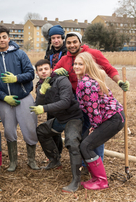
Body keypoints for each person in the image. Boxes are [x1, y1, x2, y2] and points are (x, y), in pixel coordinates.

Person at [53, 32, 130, 169]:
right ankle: (85, 162)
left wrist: (119, 82)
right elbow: (52, 73)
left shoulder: (93, 53)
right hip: (77, 99)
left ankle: (96, 164)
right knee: (83, 130)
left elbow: (109, 69)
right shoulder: (65, 59)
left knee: (95, 131)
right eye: (69, 43)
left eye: (74, 42)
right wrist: (56, 72)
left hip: (92, 96)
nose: (72, 45)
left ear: (80, 42)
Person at [0, 25, 39, 171]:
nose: (2, 40)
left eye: (4, 37)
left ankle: (31, 160)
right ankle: (13, 162)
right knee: (9, 131)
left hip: (24, 97)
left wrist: (16, 78)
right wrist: (3, 97)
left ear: (9, 38)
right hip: (5, 102)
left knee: (29, 129)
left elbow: (30, 73)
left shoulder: (20, 54)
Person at [74, 52, 125, 190]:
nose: (76, 66)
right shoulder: (84, 79)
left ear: (87, 66)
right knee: (85, 143)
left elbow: (93, 108)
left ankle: (101, 181)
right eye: (76, 64)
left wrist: (95, 126)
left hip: (113, 118)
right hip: (109, 117)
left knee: (86, 145)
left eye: (80, 64)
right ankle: (95, 177)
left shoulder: (87, 83)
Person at [30, 59, 83, 193]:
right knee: (41, 131)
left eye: (46, 69)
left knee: (72, 142)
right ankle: (54, 160)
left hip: (73, 118)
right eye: (40, 70)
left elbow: (65, 102)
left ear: (51, 69)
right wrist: (41, 93)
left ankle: (76, 179)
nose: (43, 72)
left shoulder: (61, 80)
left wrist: (44, 108)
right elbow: (37, 104)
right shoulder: (40, 85)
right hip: (60, 119)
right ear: (37, 72)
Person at [44, 25, 67, 156]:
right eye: (53, 38)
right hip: (52, 93)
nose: (56, 40)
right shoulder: (49, 53)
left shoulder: (67, 51)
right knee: (51, 125)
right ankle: (55, 154)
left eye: (58, 37)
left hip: (66, 92)